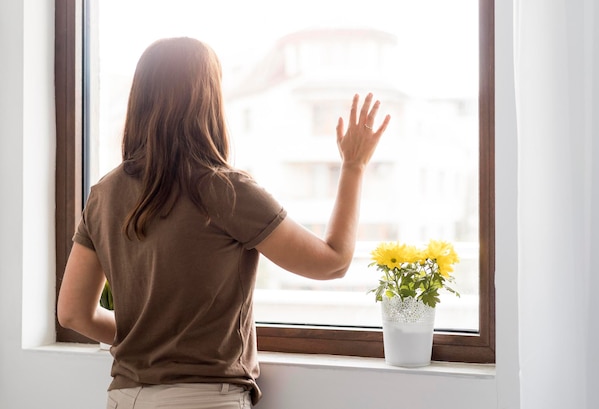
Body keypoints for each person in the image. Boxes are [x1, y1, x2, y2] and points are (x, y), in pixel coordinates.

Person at [57, 36, 390, 409]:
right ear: (208, 100)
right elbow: (333, 262)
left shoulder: (104, 194)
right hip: (202, 399)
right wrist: (354, 166)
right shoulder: (224, 190)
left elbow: (72, 313)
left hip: (124, 398)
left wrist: (145, 337)